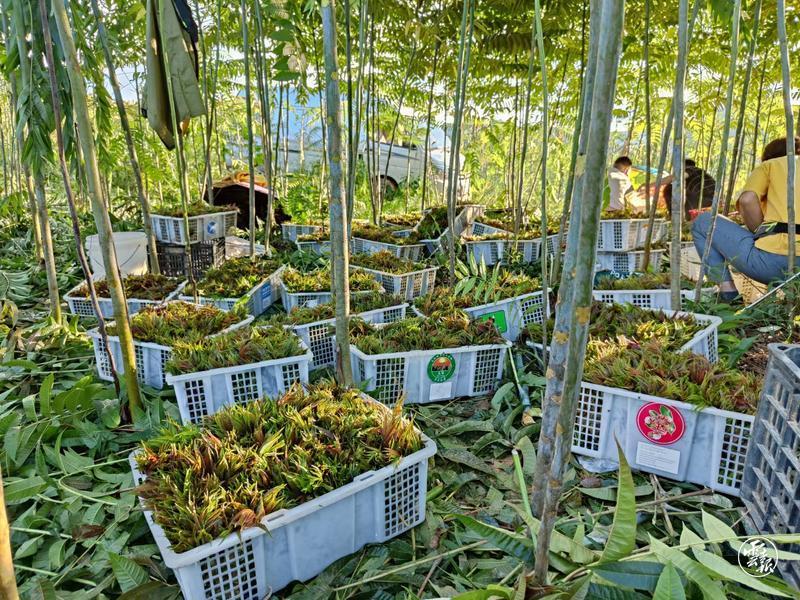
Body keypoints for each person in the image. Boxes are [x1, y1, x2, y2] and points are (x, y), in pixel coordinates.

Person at [692, 137, 800, 302]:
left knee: (704, 222)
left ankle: (728, 295)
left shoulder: (771, 165)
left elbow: (747, 200)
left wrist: (762, 232)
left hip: (771, 263)